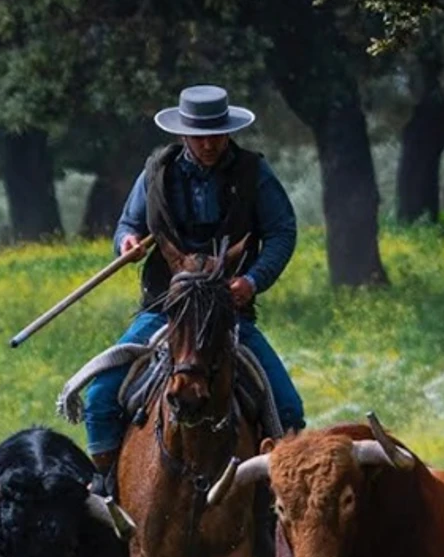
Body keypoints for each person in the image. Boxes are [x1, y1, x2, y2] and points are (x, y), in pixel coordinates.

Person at [84, 85, 306, 498]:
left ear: (228, 131)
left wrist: (252, 280)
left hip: (228, 314)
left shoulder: (254, 173)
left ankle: (278, 504)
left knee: (288, 408)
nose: (208, 144)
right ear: (182, 134)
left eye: (216, 135)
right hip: (165, 309)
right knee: (99, 397)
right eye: (199, 136)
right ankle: (107, 488)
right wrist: (126, 243)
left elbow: (282, 232)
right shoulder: (156, 173)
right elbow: (128, 225)